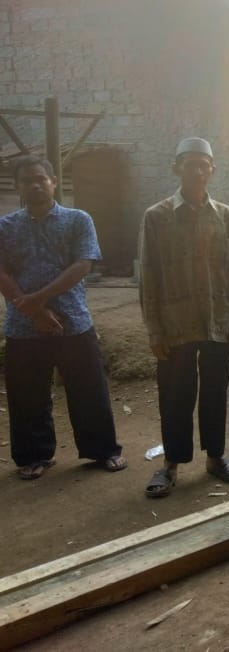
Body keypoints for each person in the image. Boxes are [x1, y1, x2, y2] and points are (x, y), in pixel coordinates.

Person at [0, 155, 125, 480]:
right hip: (23, 327)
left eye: (41, 178)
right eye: (27, 181)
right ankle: (34, 455)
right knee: (27, 394)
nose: (35, 185)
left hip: (73, 321)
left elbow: (82, 264)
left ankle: (103, 450)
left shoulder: (77, 220)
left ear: (53, 182)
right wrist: (34, 311)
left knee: (89, 389)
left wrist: (38, 300)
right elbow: (1, 272)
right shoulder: (5, 227)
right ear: (18, 187)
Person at [139, 137, 229, 498]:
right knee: (175, 394)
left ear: (212, 170)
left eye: (204, 164)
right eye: (190, 164)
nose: (198, 171)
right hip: (175, 323)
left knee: (215, 391)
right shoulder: (157, 217)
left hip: (217, 319)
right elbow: (149, 274)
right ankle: (171, 463)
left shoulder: (228, 218)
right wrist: (154, 329)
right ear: (176, 168)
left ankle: (215, 457)